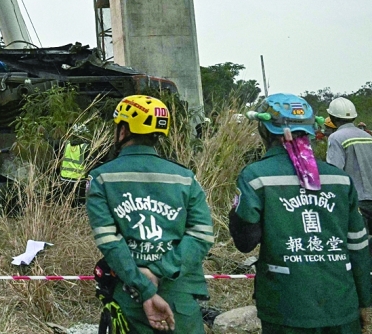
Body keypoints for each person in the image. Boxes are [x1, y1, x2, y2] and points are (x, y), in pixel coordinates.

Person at [230, 93, 372, 334]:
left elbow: (245, 242)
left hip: (286, 307)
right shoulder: (340, 180)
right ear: (311, 130)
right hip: (341, 305)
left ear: (264, 130)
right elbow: (358, 247)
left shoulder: (256, 177)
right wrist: (365, 302)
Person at [86, 95, 214, 333]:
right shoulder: (185, 177)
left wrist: (144, 283)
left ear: (123, 131)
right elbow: (202, 235)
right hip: (181, 297)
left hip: (131, 297)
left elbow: (109, 242)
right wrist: (160, 269)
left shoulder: (102, 178)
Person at [325, 97, 372, 233]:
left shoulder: (336, 137)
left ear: (332, 117)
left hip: (356, 200)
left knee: (360, 242)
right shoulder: (367, 136)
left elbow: (334, 172)